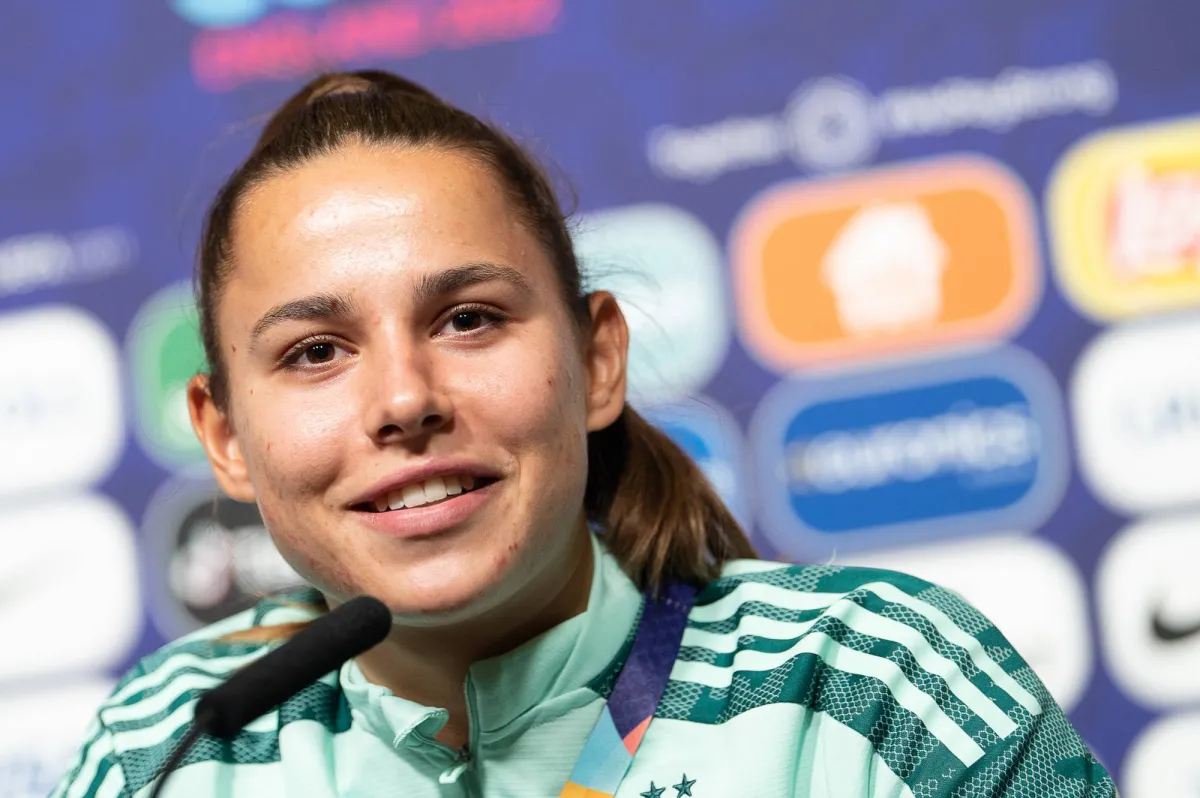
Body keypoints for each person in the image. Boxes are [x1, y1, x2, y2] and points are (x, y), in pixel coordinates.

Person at [52, 70, 1115, 798]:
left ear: (599, 358)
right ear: (225, 437)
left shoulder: (874, 683)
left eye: (469, 319)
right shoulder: (168, 749)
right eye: (317, 351)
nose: (404, 399)